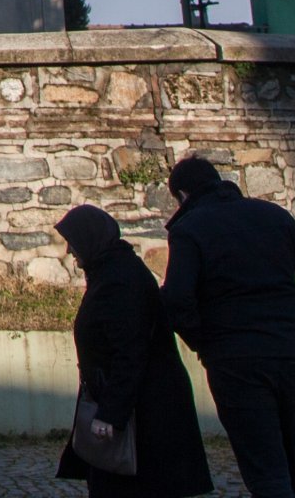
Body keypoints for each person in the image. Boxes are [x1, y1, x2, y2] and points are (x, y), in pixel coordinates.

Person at [159, 155, 295, 498]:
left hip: (237, 361)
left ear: (182, 195)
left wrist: (207, 344)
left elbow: (178, 300)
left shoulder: (189, 230)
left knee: (266, 468)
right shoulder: (273, 216)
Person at [54, 204, 212, 498]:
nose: (69, 252)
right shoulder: (114, 273)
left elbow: (130, 352)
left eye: (72, 242)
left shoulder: (120, 281)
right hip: (137, 408)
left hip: (143, 415)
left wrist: (111, 414)